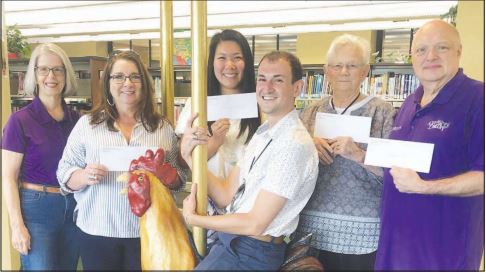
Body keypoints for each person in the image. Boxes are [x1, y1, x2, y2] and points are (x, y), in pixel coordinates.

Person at [180, 51, 318, 271]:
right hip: (235, 242)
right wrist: (190, 157)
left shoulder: (293, 144)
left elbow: (256, 223)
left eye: (278, 80)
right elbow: (226, 195)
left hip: (252, 251)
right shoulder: (263, 134)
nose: (267, 87)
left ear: (297, 88)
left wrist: (195, 219)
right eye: (262, 79)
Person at [56, 50, 188, 271]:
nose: (127, 83)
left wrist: (167, 174)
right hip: (97, 231)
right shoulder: (87, 125)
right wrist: (83, 175)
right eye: (118, 77)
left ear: (144, 83)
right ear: (108, 83)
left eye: (135, 76)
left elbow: (180, 181)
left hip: (148, 233)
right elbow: (63, 174)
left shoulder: (161, 128)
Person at [375, 19, 484, 271]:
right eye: (421, 50)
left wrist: (424, 187)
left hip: (444, 253)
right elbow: (397, 164)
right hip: (396, 247)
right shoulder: (410, 102)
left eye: (442, 48)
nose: (430, 56)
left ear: (459, 51)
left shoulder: (478, 99)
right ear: (412, 56)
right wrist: (359, 154)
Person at [293, 34, 396, 271]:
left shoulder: (382, 112)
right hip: (311, 229)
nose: (344, 72)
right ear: (326, 71)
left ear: (365, 71)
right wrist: (309, 145)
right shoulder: (310, 112)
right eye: (337, 66)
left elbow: (394, 171)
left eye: (352, 65)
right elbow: (290, 161)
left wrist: (360, 154)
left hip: (361, 233)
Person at [174, 29, 261, 247]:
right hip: (205, 204)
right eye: (222, 58)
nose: (229, 65)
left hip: (247, 209)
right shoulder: (197, 104)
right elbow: (182, 160)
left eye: (237, 58)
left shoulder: (261, 105)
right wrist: (211, 146)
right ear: (212, 63)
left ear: (247, 63)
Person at [2, 43, 80, 271]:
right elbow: (8, 177)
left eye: (58, 70)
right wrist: (17, 226)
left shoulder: (78, 121)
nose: (51, 76)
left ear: (66, 75)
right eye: (44, 69)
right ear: (34, 75)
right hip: (37, 209)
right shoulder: (20, 121)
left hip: (74, 206)